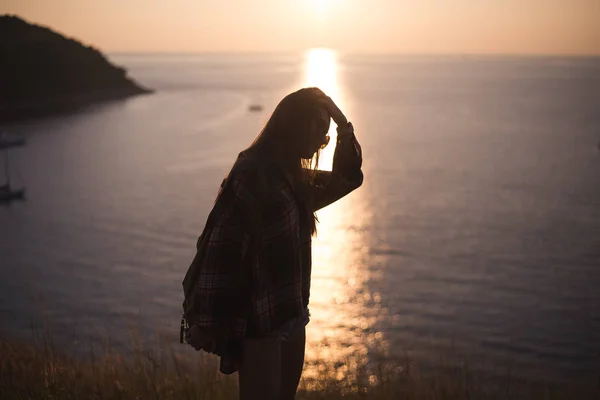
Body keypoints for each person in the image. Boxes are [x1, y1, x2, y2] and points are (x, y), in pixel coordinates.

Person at [185, 87, 363, 400]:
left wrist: (341, 121)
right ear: (294, 124)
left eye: (325, 133)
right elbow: (222, 246)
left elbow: (350, 178)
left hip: (292, 313)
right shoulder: (253, 172)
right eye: (318, 130)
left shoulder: (295, 176)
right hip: (260, 320)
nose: (322, 140)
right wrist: (206, 318)